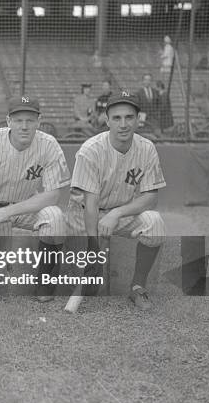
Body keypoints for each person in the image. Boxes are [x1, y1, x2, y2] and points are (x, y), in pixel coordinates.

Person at [66, 91, 166, 310]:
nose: (123, 124)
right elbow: (90, 203)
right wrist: (94, 247)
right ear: (107, 120)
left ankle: (137, 287)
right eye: (117, 118)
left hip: (118, 213)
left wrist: (116, 214)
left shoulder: (147, 148)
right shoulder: (90, 150)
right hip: (83, 215)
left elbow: (150, 196)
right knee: (89, 286)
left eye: (129, 117)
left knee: (155, 222)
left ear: (138, 120)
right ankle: (88, 265)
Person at [0, 95, 70, 301]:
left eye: (30, 120)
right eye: (18, 120)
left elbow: (53, 195)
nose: (24, 126)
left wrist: (8, 212)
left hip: (27, 206)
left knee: (55, 217)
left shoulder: (49, 145)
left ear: (39, 122)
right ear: (8, 121)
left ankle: (44, 283)